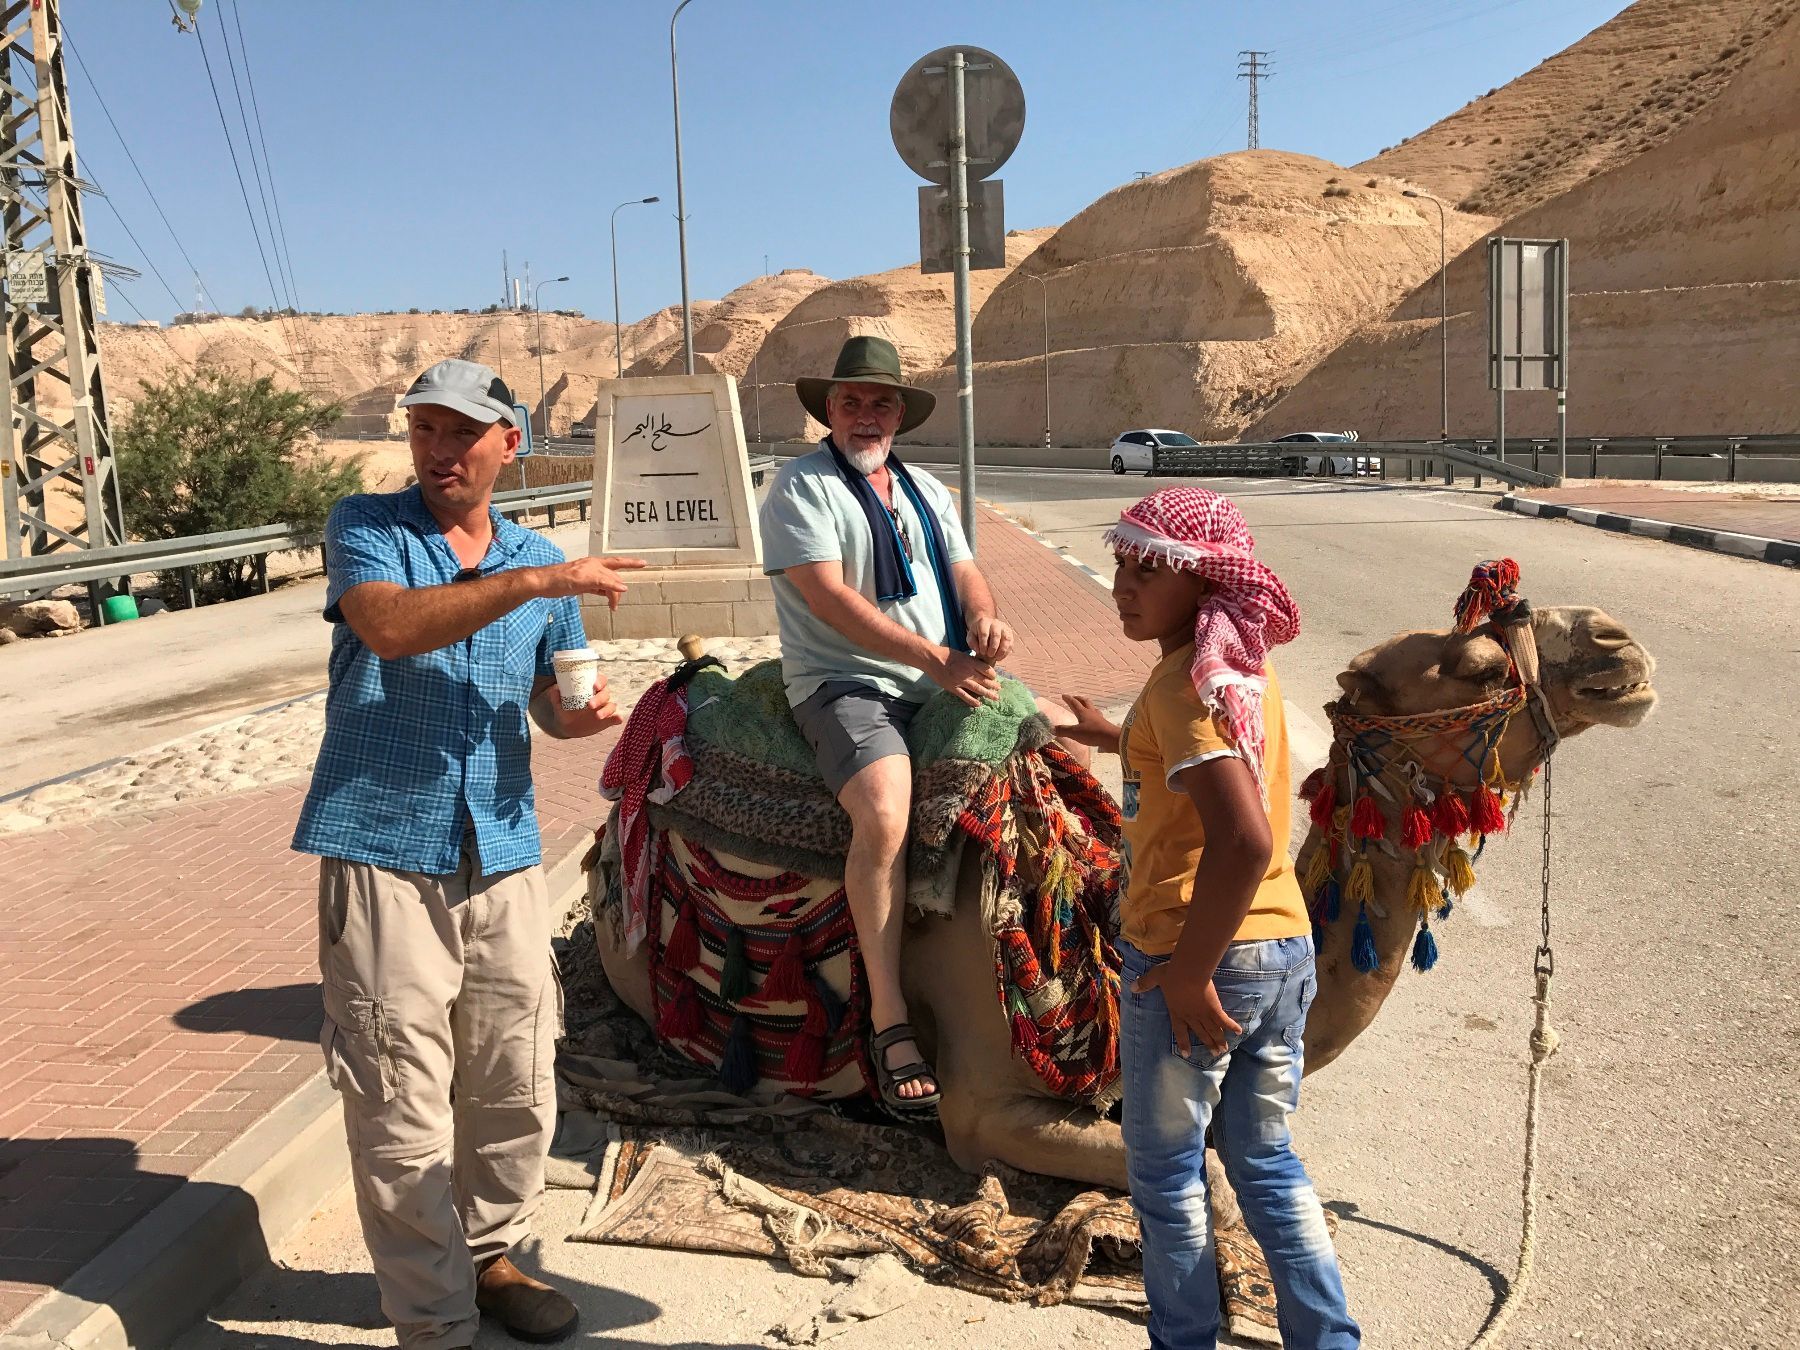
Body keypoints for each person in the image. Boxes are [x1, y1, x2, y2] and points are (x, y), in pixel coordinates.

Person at [292, 359, 645, 1349]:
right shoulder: (368, 528)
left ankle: (490, 1257)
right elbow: (390, 628)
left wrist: (582, 720)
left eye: (462, 434)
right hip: (381, 845)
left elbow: (547, 699)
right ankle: (433, 1318)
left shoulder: (540, 554)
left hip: (500, 847)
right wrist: (536, 581)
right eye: (426, 432)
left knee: (514, 1077)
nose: (441, 452)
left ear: (508, 444)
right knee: (399, 1097)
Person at [1059, 488, 1359, 1349]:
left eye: (1148, 570)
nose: (1124, 584)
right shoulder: (1235, 669)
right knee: (1264, 1159)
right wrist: (1120, 738)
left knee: (1165, 1178)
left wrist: (1186, 972)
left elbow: (1241, 836)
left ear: (1204, 582)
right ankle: (1328, 1340)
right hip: (1279, 947)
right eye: (1121, 563)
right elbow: (1208, 765)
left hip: (1198, 954)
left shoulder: (1187, 688)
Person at [758, 335, 1014, 1113]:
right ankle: (889, 1016)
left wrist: (984, 619)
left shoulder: (927, 491)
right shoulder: (800, 488)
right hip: (845, 682)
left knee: (1043, 764)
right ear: (827, 410)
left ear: (899, 413)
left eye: (880, 402)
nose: (866, 415)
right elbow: (829, 599)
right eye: (851, 401)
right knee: (884, 813)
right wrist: (936, 663)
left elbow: (965, 569)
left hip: (939, 668)